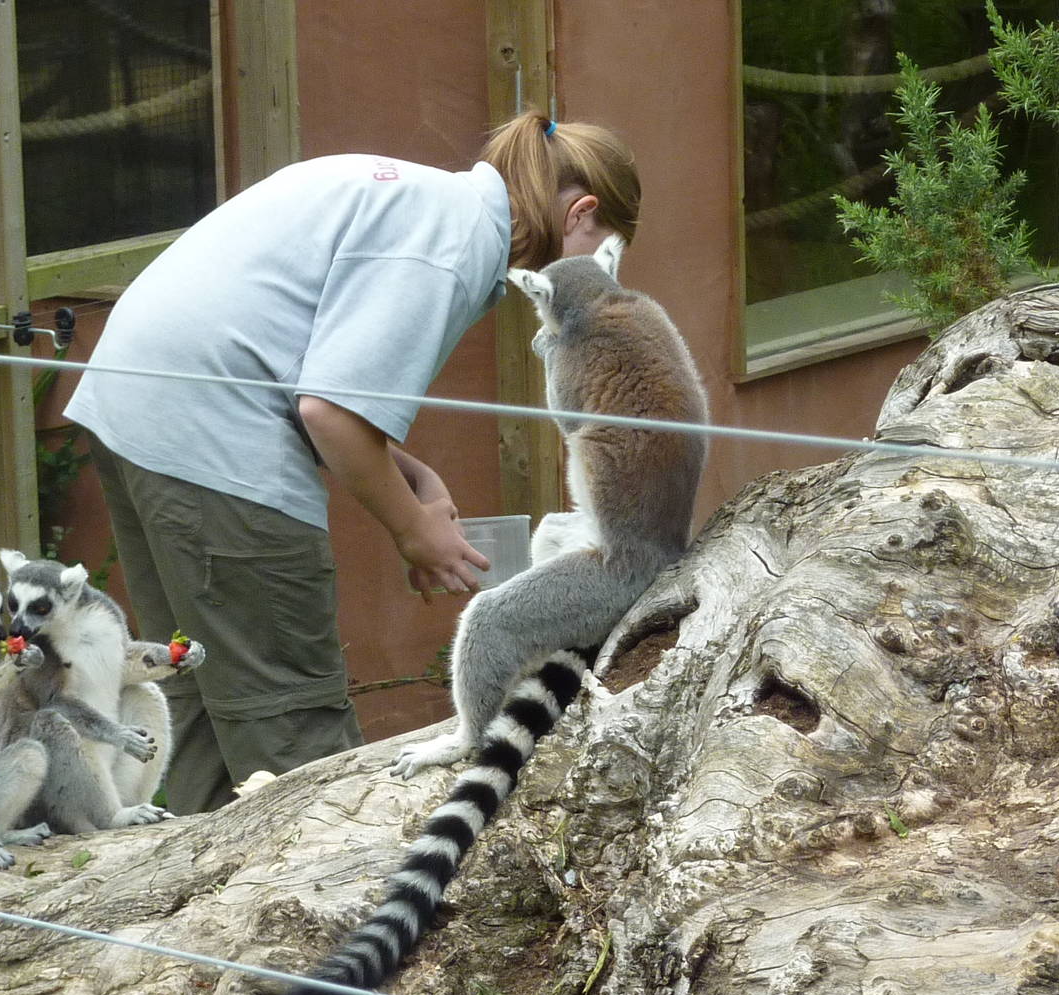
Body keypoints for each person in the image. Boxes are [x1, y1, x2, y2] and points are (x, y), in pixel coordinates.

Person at [64, 110, 641, 814]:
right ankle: (308, 905)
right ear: (580, 213)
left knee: (203, 696)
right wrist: (414, 532)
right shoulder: (454, 243)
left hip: (137, 415)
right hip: (213, 438)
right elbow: (329, 415)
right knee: (290, 727)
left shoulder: (427, 200)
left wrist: (412, 478)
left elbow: (311, 381)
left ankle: (198, 898)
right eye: (600, 256)